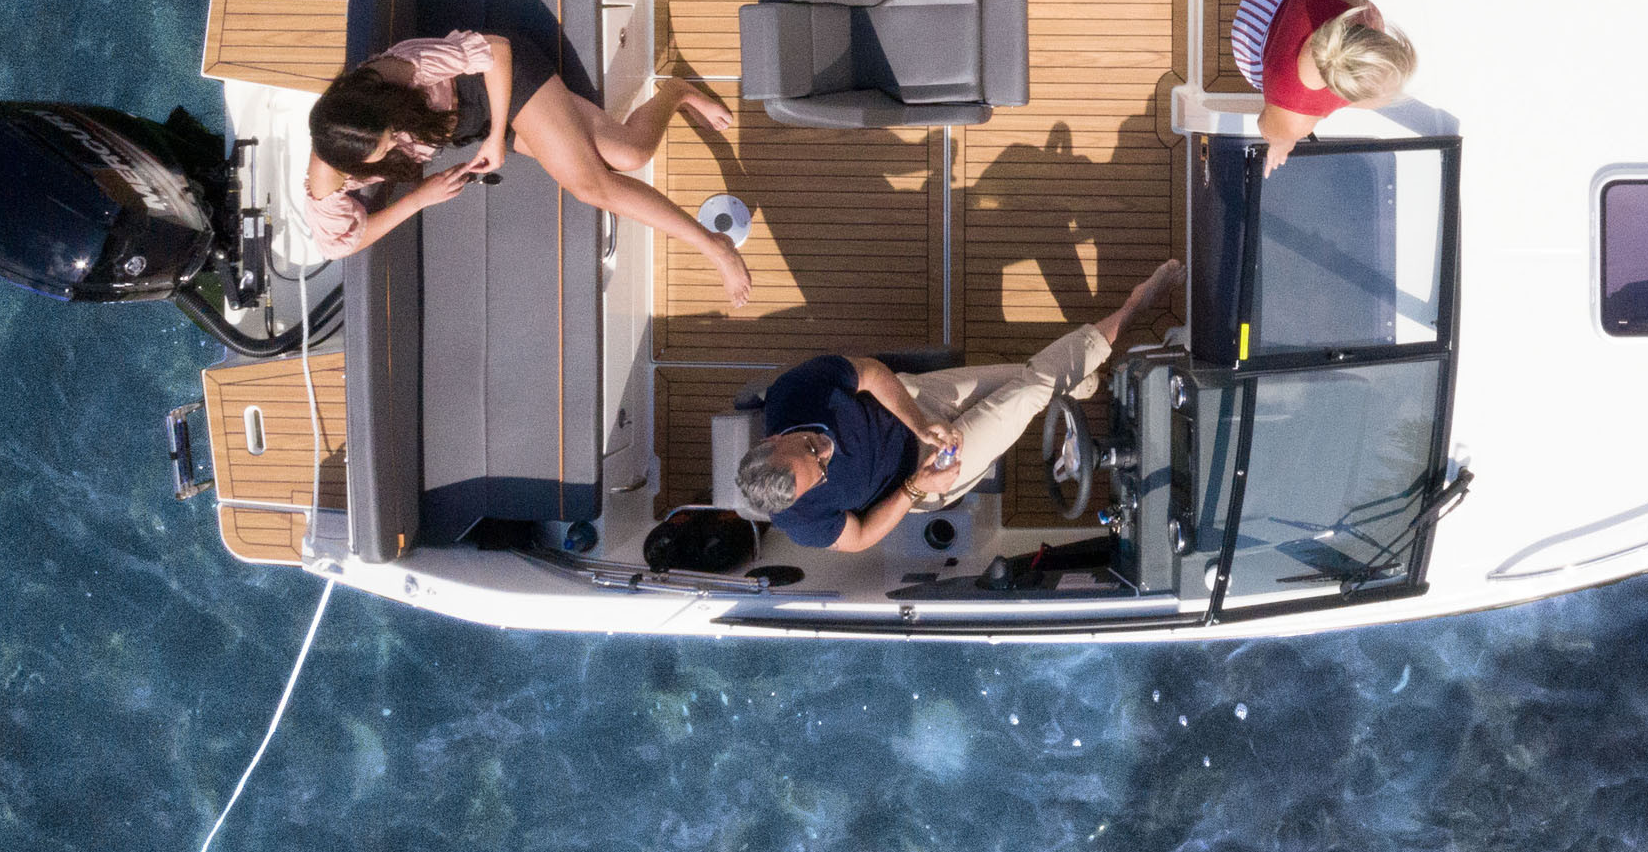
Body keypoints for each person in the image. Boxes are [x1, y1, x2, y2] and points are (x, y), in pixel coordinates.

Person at [734, 258, 1184, 553]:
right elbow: (862, 536)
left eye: (811, 445)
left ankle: (1082, 379)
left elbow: (868, 373)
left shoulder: (792, 394)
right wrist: (916, 486)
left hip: (913, 402)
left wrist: (920, 422)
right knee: (1031, 389)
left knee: (1029, 377)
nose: (825, 453)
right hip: (929, 473)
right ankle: (1136, 306)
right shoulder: (802, 521)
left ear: (772, 439)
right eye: (822, 470)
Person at [302, 29, 753, 308]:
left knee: (591, 187)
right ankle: (676, 92)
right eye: (383, 149)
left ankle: (713, 246)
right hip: (473, 125)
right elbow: (341, 243)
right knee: (631, 153)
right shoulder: (333, 170)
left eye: (388, 135)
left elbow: (497, 49)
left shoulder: (404, 70)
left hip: (498, 81)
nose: (392, 146)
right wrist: (421, 198)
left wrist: (497, 135)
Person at [1226, 0, 1416, 174]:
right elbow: (1268, 130)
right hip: (1264, 51)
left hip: (1254, 48)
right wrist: (1282, 142)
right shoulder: (1298, 120)